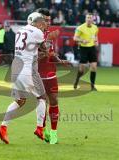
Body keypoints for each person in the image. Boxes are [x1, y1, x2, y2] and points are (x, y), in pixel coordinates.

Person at [0, 12, 47, 144]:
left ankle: (3, 127)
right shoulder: (37, 32)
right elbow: (45, 49)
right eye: (41, 22)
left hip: (16, 68)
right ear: (35, 22)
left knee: (20, 100)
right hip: (27, 70)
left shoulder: (19, 30)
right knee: (41, 97)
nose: (42, 24)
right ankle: (39, 128)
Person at [37, 8, 69, 144]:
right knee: (42, 103)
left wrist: (59, 60)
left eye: (49, 20)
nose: (48, 23)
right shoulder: (32, 35)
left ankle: (54, 133)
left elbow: (51, 53)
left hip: (50, 72)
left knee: (54, 101)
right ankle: (43, 131)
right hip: (37, 74)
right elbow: (32, 57)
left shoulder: (49, 35)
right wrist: (46, 54)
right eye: (46, 20)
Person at [73, 13, 99, 91]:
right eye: (87, 17)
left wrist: (96, 41)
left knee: (94, 67)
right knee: (82, 69)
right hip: (83, 48)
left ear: (92, 19)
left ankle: (92, 86)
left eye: (90, 18)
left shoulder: (95, 27)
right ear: (85, 19)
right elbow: (75, 38)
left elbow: (95, 36)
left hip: (92, 48)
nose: (89, 19)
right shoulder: (80, 28)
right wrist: (82, 40)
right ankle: (76, 81)